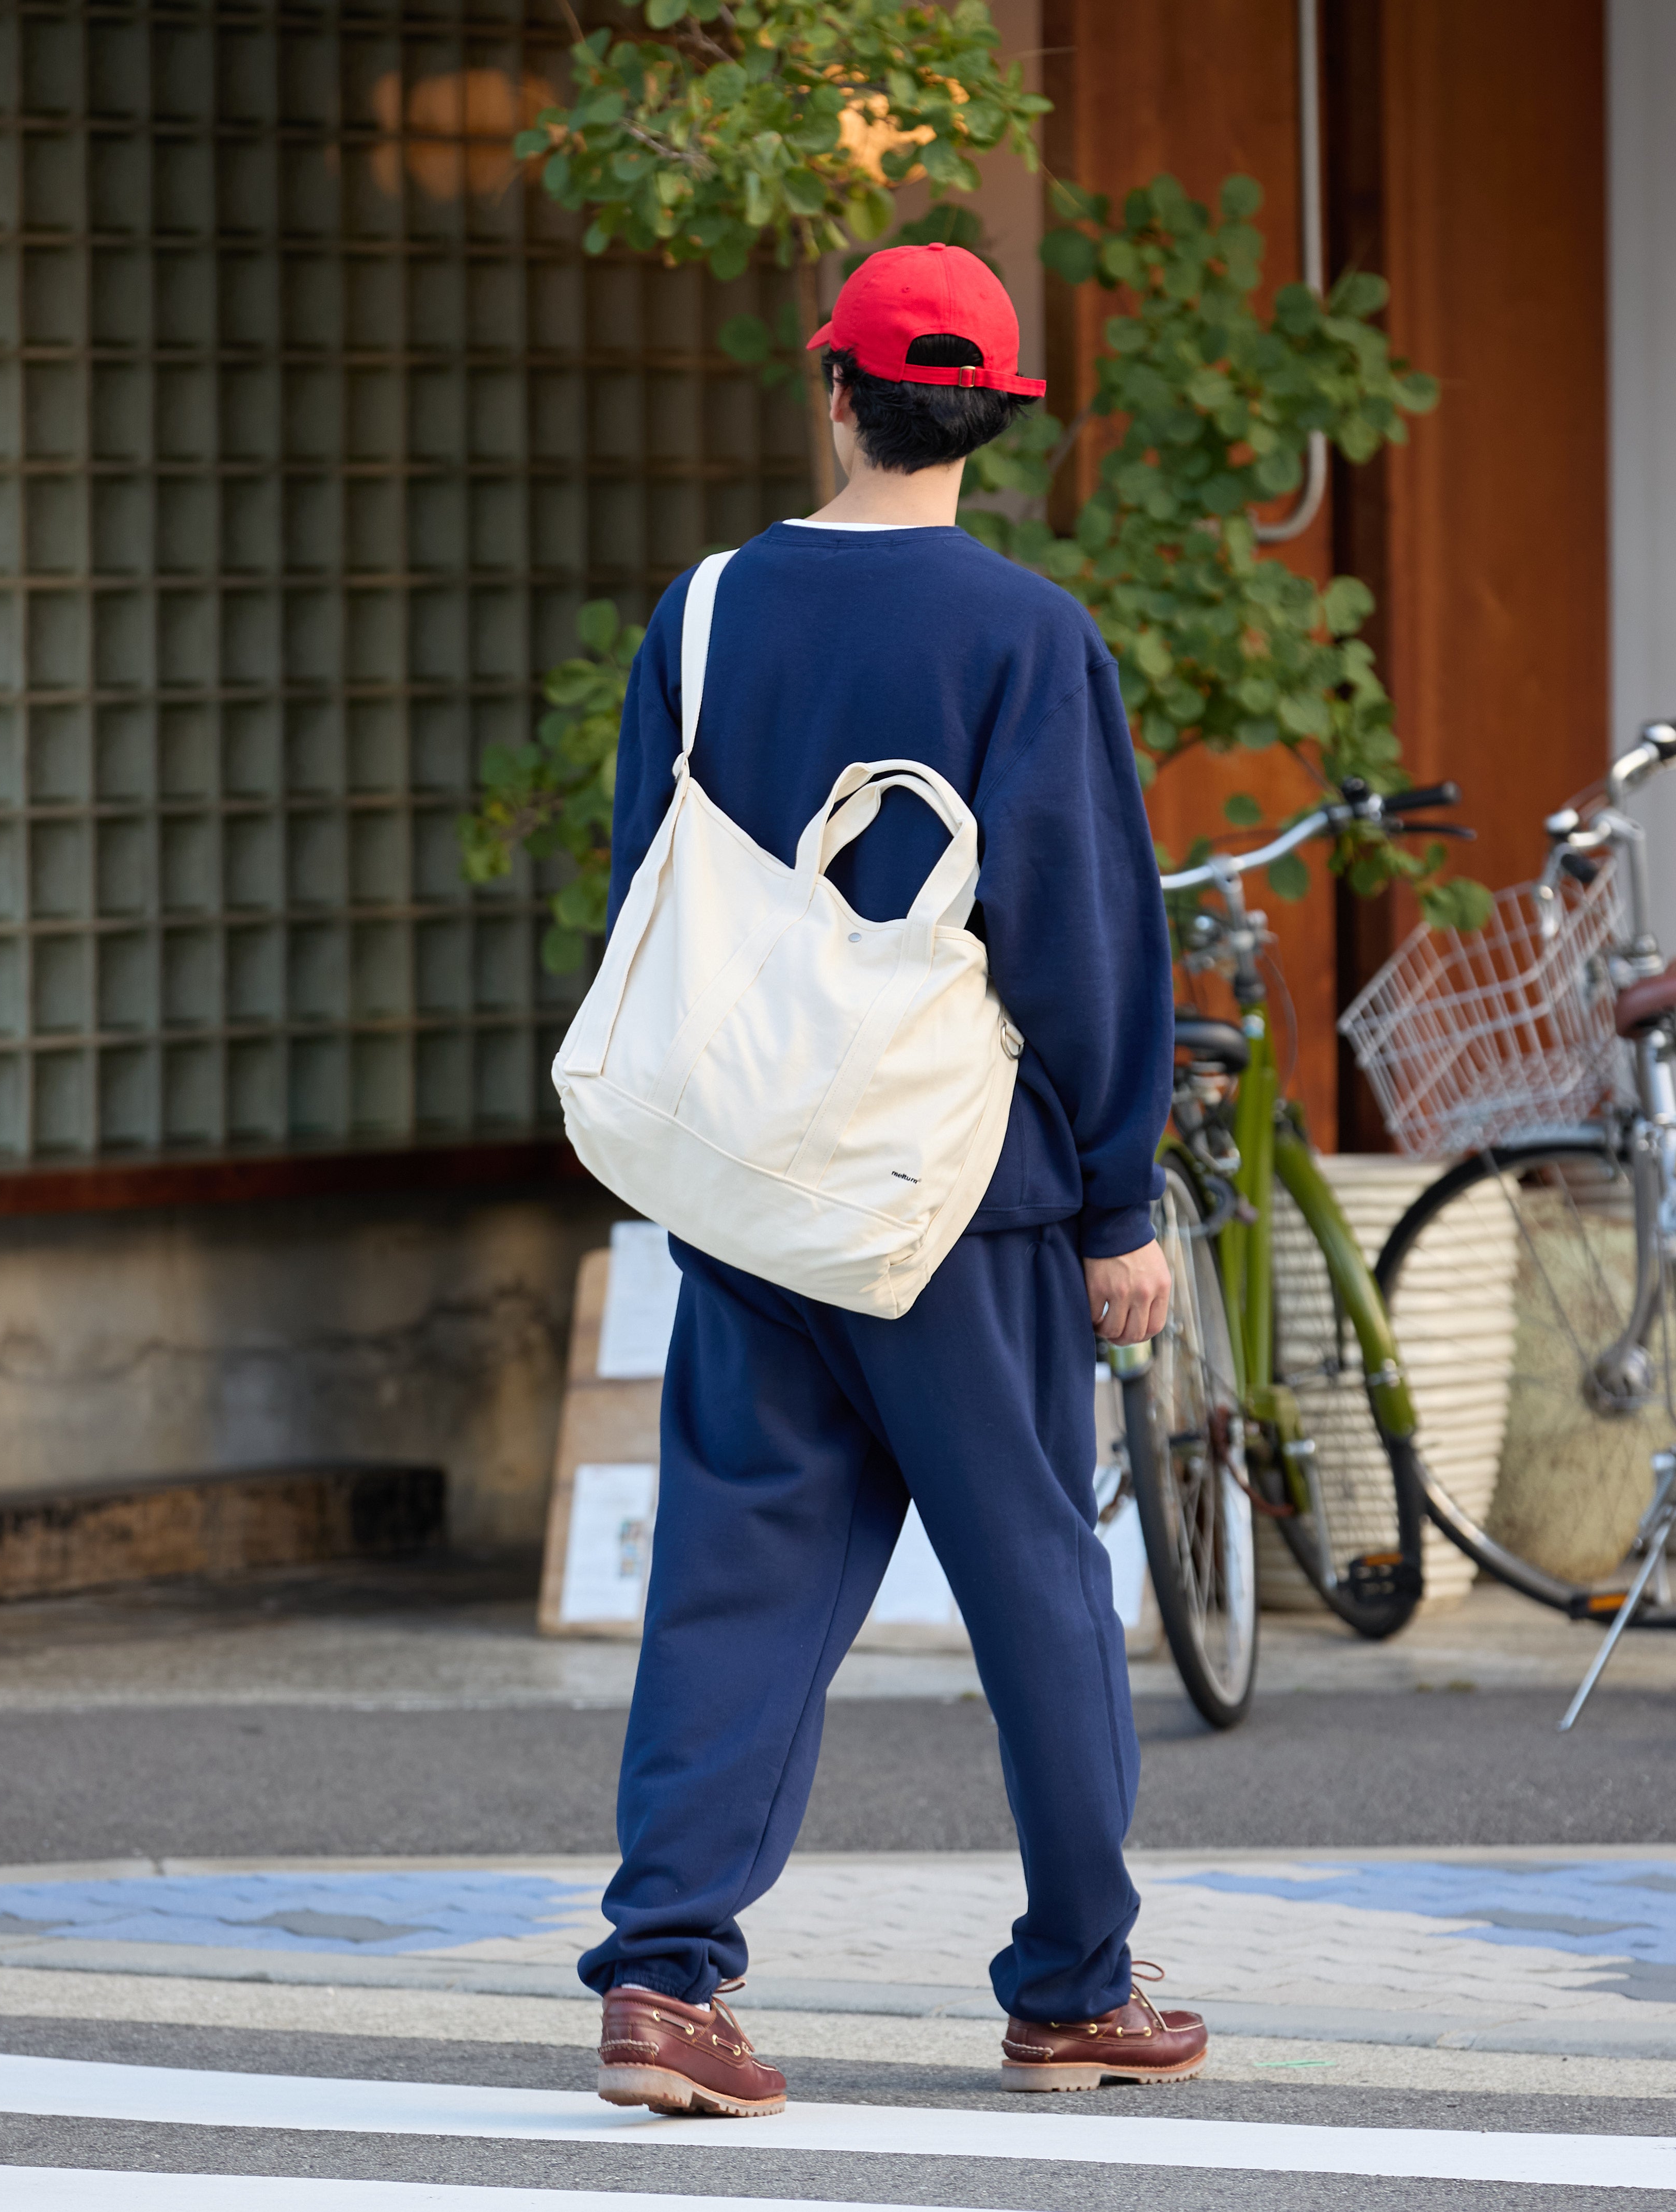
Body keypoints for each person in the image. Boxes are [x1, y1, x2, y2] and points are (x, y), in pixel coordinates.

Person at [581, 242, 1202, 2114]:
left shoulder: (700, 618)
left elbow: (649, 899)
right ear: (992, 421)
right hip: (964, 1206)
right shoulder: (1025, 637)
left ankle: (666, 1983)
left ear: (828, 387)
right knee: (1033, 1583)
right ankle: (1076, 1984)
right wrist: (1115, 1202)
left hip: (757, 1186)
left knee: (733, 1571)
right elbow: (1084, 941)